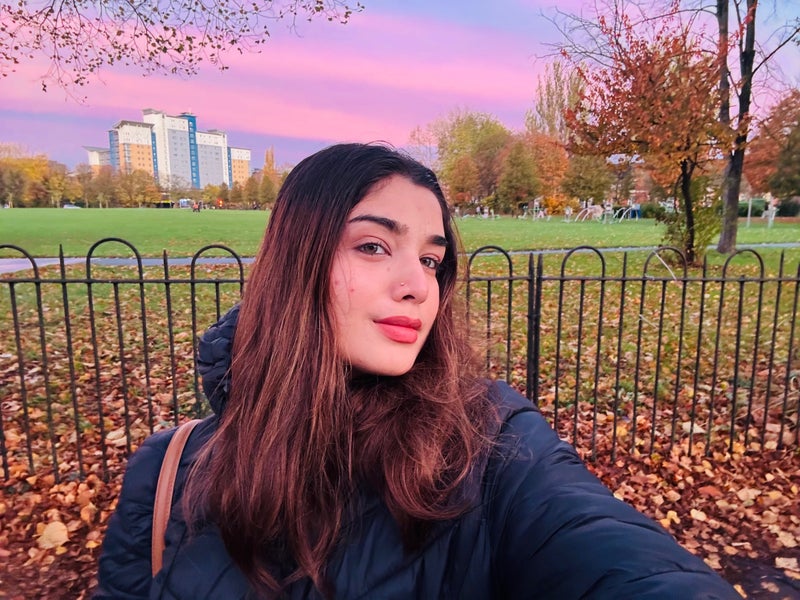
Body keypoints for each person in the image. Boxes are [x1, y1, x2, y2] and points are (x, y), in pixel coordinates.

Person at [95, 143, 739, 599]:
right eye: (374, 246)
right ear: (298, 261)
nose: (419, 286)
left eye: (432, 260)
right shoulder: (166, 476)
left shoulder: (490, 443)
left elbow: (600, 543)